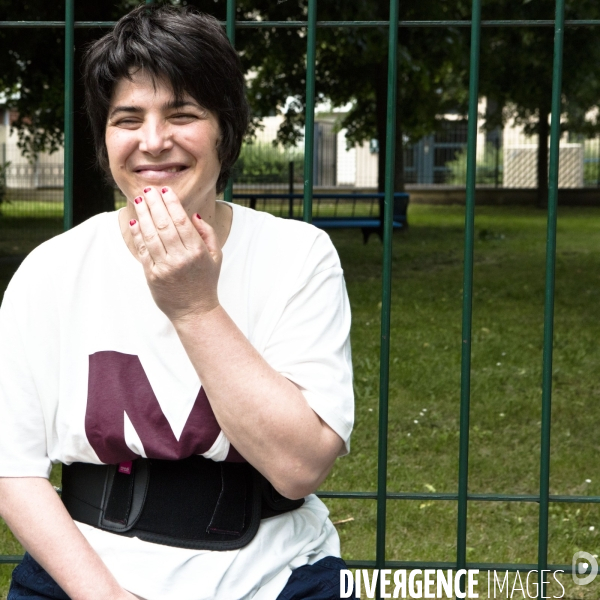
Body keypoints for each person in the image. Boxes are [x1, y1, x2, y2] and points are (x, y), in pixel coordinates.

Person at [0, 5, 354, 600]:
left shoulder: (298, 256)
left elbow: (300, 468)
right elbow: (14, 471)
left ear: (226, 130)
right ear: (104, 136)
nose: (153, 142)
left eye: (183, 115)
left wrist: (193, 306)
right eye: (127, 119)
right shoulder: (52, 271)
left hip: (274, 574)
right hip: (88, 574)